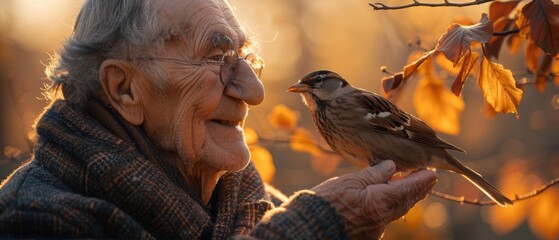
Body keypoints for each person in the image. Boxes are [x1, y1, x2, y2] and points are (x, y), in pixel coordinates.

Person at [0, 0, 437, 239]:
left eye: (246, 58)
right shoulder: (38, 220)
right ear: (126, 89)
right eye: (217, 58)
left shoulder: (256, 209)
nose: (255, 91)